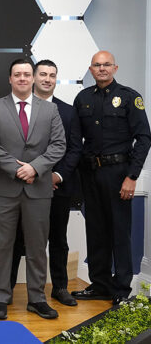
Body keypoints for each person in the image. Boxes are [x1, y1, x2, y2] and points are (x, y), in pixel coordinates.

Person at [0, 58, 65, 320]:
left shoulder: (50, 110)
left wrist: (35, 168)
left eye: (26, 74)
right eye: (17, 74)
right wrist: (18, 169)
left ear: (32, 78)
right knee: (1, 245)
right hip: (4, 188)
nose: (22, 78)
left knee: (37, 247)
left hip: (39, 189)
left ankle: (37, 299)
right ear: (10, 79)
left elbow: (58, 145)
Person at [71, 51, 151, 305]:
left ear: (115, 68)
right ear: (91, 69)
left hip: (119, 174)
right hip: (90, 174)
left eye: (107, 65)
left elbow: (144, 138)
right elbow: (76, 140)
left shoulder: (129, 97)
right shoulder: (82, 98)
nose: (102, 69)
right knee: (95, 231)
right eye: (97, 65)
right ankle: (100, 284)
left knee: (119, 232)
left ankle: (121, 290)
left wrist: (132, 176)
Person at [9, 60, 83, 307]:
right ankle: (7, 288)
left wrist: (56, 175)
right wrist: (30, 174)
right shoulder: (19, 108)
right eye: (43, 74)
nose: (47, 79)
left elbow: (73, 150)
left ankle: (60, 287)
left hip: (56, 187)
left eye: (52, 75)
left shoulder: (69, 112)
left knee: (58, 239)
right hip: (24, 185)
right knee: (18, 238)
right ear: (32, 77)